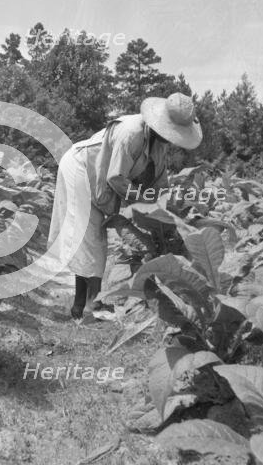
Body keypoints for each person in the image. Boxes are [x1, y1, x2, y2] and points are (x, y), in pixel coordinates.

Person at [48, 92, 203, 322]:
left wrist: (171, 217)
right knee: (91, 238)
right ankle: (90, 307)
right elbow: (116, 178)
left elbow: (160, 186)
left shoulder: (159, 144)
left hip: (98, 177)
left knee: (91, 240)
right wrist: (142, 204)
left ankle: (81, 305)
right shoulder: (131, 133)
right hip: (80, 168)